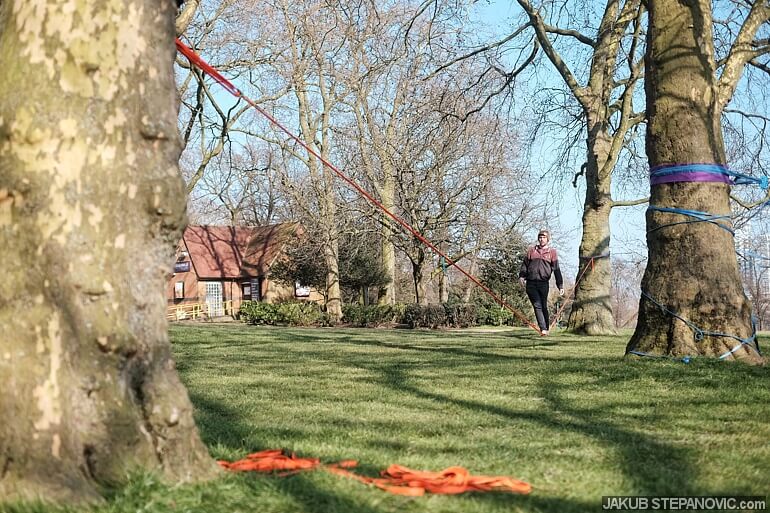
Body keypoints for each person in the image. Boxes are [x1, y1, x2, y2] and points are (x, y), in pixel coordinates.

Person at [519, 229, 564, 335]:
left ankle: (546, 328)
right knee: (537, 304)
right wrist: (521, 276)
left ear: (547, 239)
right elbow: (524, 265)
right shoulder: (531, 251)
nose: (541, 239)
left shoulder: (552, 252)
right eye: (540, 237)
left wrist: (560, 285)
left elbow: (556, 269)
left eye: (543, 237)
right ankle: (543, 328)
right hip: (530, 282)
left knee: (543, 305)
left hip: (543, 283)